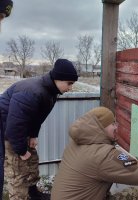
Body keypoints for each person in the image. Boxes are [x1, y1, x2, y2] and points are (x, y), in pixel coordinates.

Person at [0, 58, 78, 200]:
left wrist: (33, 135)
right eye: (69, 83)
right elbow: (14, 126)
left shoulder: (51, 92)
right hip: (7, 130)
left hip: (19, 129)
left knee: (31, 162)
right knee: (18, 170)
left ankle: (33, 194)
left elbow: (37, 117)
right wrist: (21, 151)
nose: (70, 88)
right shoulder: (32, 92)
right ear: (58, 78)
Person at [51, 106, 138, 200]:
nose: (116, 127)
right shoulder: (103, 155)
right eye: (112, 123)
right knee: (134, 195)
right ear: (100, 128)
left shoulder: (77, 143)